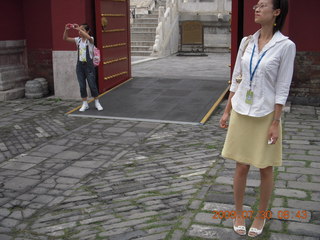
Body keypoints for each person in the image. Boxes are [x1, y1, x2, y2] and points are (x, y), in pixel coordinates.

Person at [219, 0, 295, 237]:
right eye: (256, 5)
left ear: (276, 12)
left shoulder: (285, 46)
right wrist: (227, 109)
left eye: (263, 5)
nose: (256, 8)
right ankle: (239, 212)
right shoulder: (246, 42)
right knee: (241, 165)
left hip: (265, 114)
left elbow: (283, 86)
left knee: (265, 167)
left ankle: (261, 215)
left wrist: (276, 122)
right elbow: (237, 76)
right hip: (242, 110)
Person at [63, 23, 103, 112]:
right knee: (82, 86)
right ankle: (85, 104)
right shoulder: (78, 40)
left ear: (87, 31)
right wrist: (66, 30)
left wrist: (78, 29)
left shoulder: (90, 40)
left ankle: (97, 102)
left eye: (82, 30)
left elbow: (88, 37)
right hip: (80, 66)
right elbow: (65, 38)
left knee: (92, 85)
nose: (80, 32)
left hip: (89, 66)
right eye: (79, 30)